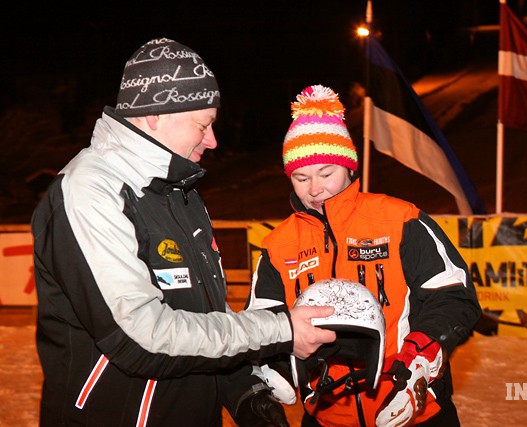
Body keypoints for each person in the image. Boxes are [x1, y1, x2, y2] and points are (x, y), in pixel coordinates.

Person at [30, 38, 336, 427]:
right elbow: (140, 337)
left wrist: (243, 391)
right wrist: (281, 329)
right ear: (156, 115)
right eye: (203, 124)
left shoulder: (180, 193)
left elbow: (205, 316)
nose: (212, 140)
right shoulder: (89, 192)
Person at [245, 85, 482, 426]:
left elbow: (454, 297)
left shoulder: (400, 220)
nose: (315, 189)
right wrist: (278, 367)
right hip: (325, 417)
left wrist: (420, 353)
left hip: (412, 410)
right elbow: (264, 323)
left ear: (349, 168)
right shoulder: (277, 245)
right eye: (301, 177)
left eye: (326, 173)